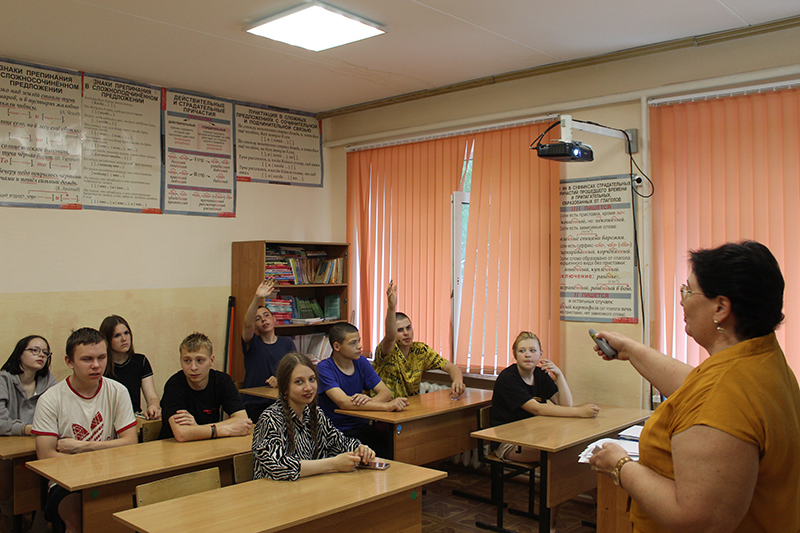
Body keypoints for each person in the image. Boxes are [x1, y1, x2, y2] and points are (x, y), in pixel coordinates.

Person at [589, 241, 800, 533]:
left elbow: (695, 519)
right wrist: (631, 350)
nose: (682, 301)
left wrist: (620, 466)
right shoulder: (760, 360)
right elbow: (697, 387)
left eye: (688, 291)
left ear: (720, 307)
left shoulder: (722, 394)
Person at [31, 328, 138, 533]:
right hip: (66, 481)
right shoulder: (50, 399)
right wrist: (98, 456)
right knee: (77, 521)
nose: (96, 365)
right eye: (87, 359)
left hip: (111, 474)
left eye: (101, 357)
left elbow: (130, 442)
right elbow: (46, 455)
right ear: (69, 362)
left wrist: (82, 447)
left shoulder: (118, 391)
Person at [252, 352, 375, 480]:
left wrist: (359, 449)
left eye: (312, 379)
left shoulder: (315, 414)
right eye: (299, 382)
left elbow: (338, 442)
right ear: (285, 388)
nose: (308, 388)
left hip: (308, 486)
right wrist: (332, 464)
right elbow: (277, 467)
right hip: (275, 490)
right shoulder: (270, 419)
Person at [491, 331, 599, 463]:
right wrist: (580, 412)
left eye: (532, 350)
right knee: (560, 452)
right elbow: (537, 409)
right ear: (515, 355)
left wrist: (559, 375)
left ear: (540, 354)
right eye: (522, 351)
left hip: (534, 434)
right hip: (509, 441)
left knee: (572, 445)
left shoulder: (540, 374)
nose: (527, 355)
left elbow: (565, 405)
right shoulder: (508, 378)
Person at [317, 322, 409, 459]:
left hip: (362, 426)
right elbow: (344, 402)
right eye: (353, 343)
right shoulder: (324, 368)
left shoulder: (361, 362)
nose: (359, 346)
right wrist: (386, 406)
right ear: (337, 346)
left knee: (394, 449)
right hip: (337, 432)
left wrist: (369, 400)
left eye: (359, 341)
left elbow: (386, 393)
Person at [1, 335, 57, 531]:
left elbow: (57, 415)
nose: (41, 355)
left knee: (49, 473)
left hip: (37, 444)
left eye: (45, 352)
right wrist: (28, 429)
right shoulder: (3, 379)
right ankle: (8, 515)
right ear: (19, 354)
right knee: (7, 471)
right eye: (34, 350)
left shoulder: (49, 381)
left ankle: (39, 523)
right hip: (8, 448)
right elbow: (0, 423)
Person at [373, 282, 465, 398]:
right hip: (384, 404)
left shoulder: (420, 350)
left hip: (410, 404)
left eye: (408, 328)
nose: (406, 333)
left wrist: (457, 381)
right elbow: (390, 337)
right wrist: (391, 308)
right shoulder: (387, 350)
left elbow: (451, 367)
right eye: (400, 330)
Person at [159, 332, 252, 441]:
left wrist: (197, 429)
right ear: (181, 361)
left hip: (208, 443)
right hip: (175, 447)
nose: (193, 367)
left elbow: (242, 419)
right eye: (187, 361)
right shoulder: (174, 385)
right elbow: (182, 434)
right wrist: (220, 430)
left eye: (200, 360)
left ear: (211, 360)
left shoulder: (222, 381)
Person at [241, 279, 298, 421]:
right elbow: (247, 324)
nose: (263, 320)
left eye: (266, 315)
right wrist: (257, 298)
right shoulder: (253, 343)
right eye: (258, 319)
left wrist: (281, 381)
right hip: (254, 403)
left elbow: (296, 370)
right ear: (255, 325)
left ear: (274, 319)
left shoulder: (287, 343)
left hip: (280, 403)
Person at [99, 315, 161, 420]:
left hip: (133, 418)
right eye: (117, 336)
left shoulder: (140, 361)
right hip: (108, 419)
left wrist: (153, 407)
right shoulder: (100, 365)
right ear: (107, 340)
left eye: (126, 333)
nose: (124, 339)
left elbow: (152, 397)